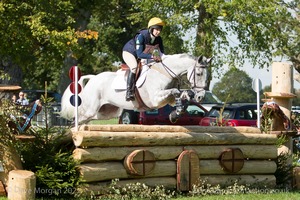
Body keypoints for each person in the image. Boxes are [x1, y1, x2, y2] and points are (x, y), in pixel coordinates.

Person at [122, 17, 165, 101]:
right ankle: (129, 92)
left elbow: (161, 53)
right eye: (156, 29)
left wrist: (160, 58)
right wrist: (153, 57)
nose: (158, 32)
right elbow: (140, 54)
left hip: (142, 55)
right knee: (134, 67)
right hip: (130, 52)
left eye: (160, 30)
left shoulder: (158, 39)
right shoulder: (141, 36)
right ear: (151, 29)